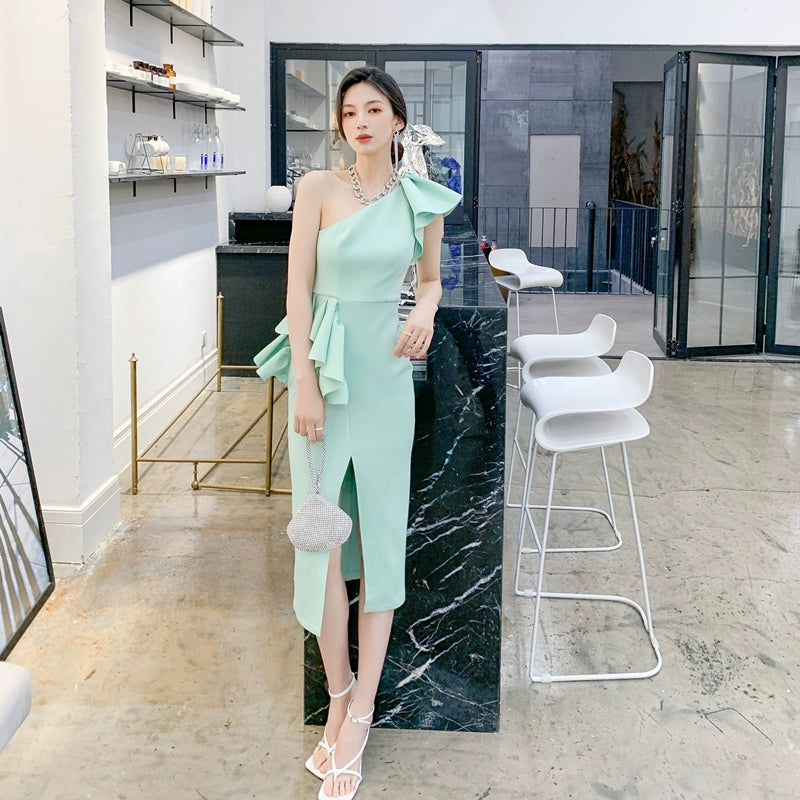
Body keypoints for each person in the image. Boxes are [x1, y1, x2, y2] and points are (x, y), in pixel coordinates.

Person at [254, 66, 461, 800]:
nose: (361, 122)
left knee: (379, 544)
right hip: (323, 374)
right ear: (340, 125)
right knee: (323, 544)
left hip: (385, 380)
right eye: (349, 112)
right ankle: (337, 696)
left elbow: (431, 279)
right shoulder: (317, 188)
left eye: (374, 109)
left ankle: (362, 712)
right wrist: (306, 383)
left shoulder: (420, 199)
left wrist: (424, 311)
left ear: (398, 120)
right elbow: (297, 289)